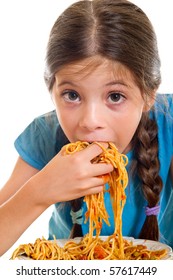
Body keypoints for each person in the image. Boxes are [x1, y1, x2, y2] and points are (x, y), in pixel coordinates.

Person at [0, 0, 173, 257]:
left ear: (148, 95)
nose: (90, 121)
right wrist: (39, 192)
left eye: (115, 97)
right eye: (72, 95)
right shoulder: (45, 134)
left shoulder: (167, 122)